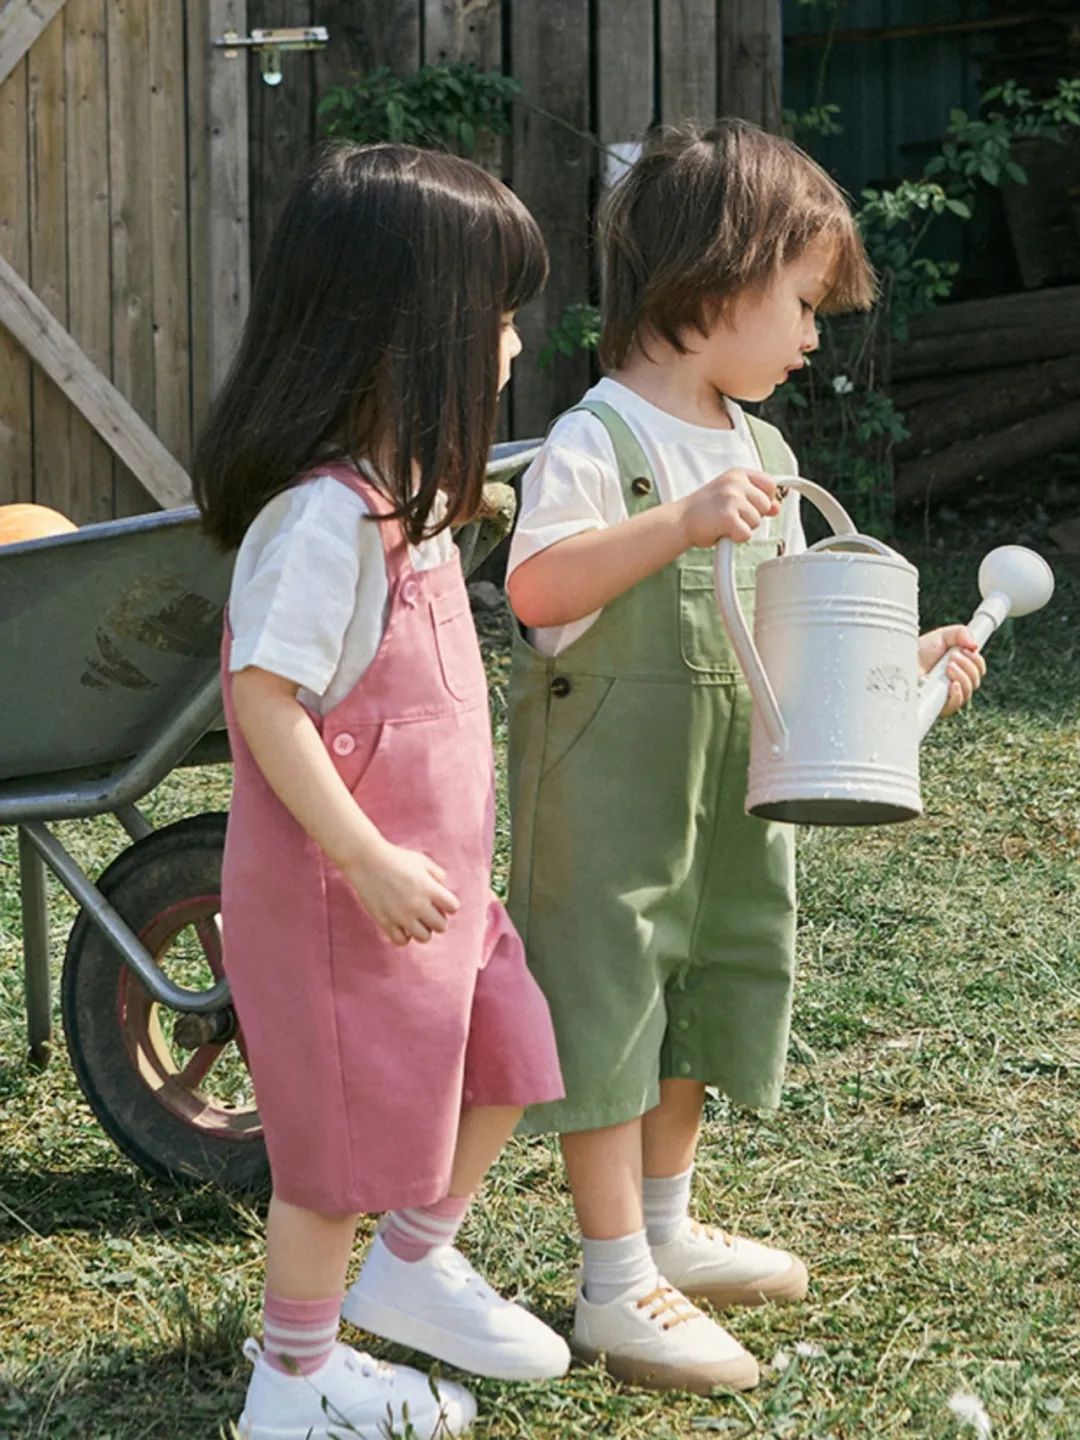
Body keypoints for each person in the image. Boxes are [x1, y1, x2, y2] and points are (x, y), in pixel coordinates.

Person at [505, 119, 986, 1395]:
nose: (816, 334)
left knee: (708, 982)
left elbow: (791, 628)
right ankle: (613, 1282)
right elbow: (542, 593)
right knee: (613, 1001)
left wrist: (907, 655)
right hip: (613, 797)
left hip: (731, 792)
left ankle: (666, 1224)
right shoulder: (596, 442)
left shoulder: (764, 451)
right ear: (716, 287)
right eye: (803, 304)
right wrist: (677, 521)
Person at [194, 141, 569, 1440]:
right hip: (348, 900)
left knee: (511, 1051)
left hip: (436, 894)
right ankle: (289, 1391)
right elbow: (263, 702)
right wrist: (360, 854)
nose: (517, 340)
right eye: (499, 313)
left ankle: (414, 1265)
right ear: (418, 336)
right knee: (332, 1166)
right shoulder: (321, 524)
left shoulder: (404, 515)